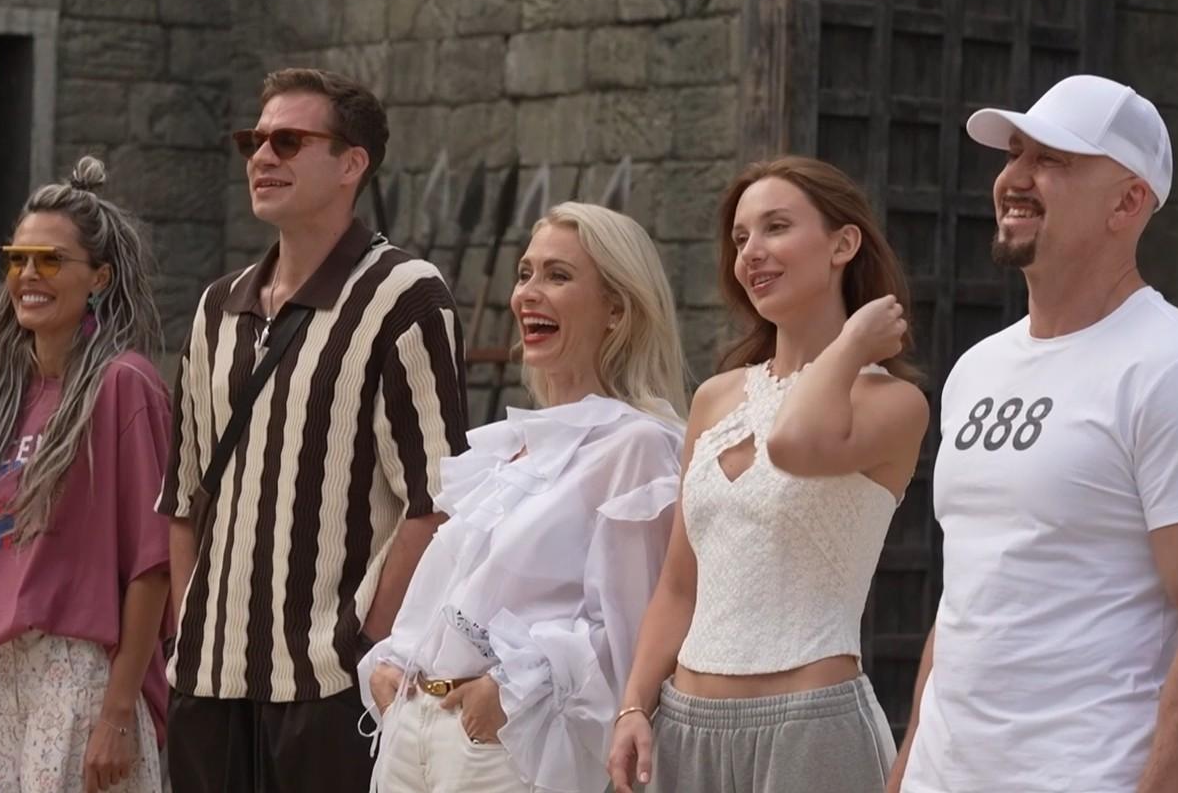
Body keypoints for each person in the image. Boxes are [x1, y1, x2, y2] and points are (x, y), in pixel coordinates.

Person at [157, 67, 469, 793]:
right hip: (207, 684)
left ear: (351, 163)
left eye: (289, 141)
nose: (262, 157)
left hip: (329, 687)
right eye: (255, 140)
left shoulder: (404, 295)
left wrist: (364, 646)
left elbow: (437, 498)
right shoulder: (217, 307)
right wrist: (190, 634)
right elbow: (183, 496)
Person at [890, 75, 1178, 793]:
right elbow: (970, 594)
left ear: (1128, 201)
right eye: (1014, 153)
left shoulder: (1170, 365)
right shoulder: (977, 368)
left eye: (1052, 159)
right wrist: (905, 769)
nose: (1014, 179)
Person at [607, 156, 929, 793]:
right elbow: (679, 586)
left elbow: (793, 442)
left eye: (776, 227)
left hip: (812, 730)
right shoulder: (714, 398)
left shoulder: (893, 403)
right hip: (684, 729)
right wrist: (634, 705)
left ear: (843, 244)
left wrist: (852, 344)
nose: (751, 252)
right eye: (740, 238)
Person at [360, 202, 689, 793]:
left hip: (506, 747)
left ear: (617, 308)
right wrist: (393, 661)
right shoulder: (509, 447)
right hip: (412, 728)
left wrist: (508, 691)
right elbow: (458, 591)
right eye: (524, 273)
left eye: (558, 276)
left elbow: (632, 630)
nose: (527, 294)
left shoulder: (636, 445)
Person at [0, 156, 172, 792]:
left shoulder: (125, 385)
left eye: (51, 260)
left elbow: (152, 564)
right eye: (18, 258)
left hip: (80, 672)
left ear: (100, 278)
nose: (29, 274)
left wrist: (118, 712)